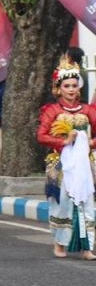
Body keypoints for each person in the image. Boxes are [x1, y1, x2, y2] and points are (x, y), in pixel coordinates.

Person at [37, 56, 96, 259]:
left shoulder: (88, 110)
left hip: (85, 164)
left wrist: (90, 143)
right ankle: (60, 242)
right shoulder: (52, 111)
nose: (71, 89)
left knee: (87, 202)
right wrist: (64, 141)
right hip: (61, 164)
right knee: (63, 203)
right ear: (58, 88)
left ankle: (87, 246)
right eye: (66, 86)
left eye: (74, 85)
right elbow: (41, 136)